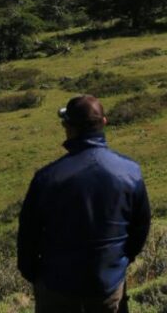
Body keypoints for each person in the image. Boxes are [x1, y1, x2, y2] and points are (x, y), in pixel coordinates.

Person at [17, 95, 151, 313]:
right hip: (107, 285)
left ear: (68, 127)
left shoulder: (47, 178)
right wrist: (120, 261)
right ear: (104, 123)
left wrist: (35, 275)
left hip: (56, 287)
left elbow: (28, 235)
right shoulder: (130, 172)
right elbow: (140, 227)